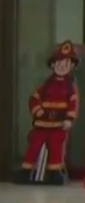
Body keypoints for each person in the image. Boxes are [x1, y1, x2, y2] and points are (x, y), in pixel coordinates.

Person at [15, 41, 80, 186]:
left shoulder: (70, 87)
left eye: (66, 64)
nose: (62, 66)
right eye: (59, 63)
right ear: (53, 65)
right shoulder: (45, 85)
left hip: (58, 125)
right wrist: (37, 110)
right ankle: (26, 171)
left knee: (56, 148)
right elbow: (34, 99)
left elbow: (73, 103)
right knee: (34, 146)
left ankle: (54, 173)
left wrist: (69, 119)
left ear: (71, 66)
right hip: (41, 124)